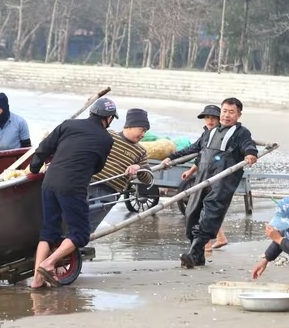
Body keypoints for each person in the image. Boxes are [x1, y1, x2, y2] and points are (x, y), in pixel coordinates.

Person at [28, 97, 116, 289]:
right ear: (108, 119)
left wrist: (33, 169)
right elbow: (97, 167)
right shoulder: (106, 139)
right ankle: (49, 263)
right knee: (80, 234)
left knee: (48, 232)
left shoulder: (68, 125)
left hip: (49, 182)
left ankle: (36, 281)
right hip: (73, 186)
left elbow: (44, 148)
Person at [178, 98, 258, 269]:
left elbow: (249, 146)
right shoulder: (210, 132)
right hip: (203, 178)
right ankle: (198, 257)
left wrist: (250, 154)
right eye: (224, 111)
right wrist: (170, 159)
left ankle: (193, 253)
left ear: (238, 115)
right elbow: (193, 149)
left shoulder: (241, 133)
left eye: (231, 112)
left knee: (210, 215)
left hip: (223, 181)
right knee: (191, 214)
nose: (226, 115)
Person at [162, 104, 229, 253]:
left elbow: (213, 158)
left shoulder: (223, 135)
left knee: (203, 208)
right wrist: (177, 161)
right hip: (205, 174)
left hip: (217, 176)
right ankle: (219, 239)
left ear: (219, 119)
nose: (210, 120)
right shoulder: (207, 134)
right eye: (207, 117)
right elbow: (197, 152)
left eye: (213, 118)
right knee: (206, 207)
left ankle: (206, 244)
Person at [89, 108, 154, 227]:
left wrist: (138, 168)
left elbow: (148, 179)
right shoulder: (108, 135)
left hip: (109, 193)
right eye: (141, 130)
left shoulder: (140, 151)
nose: (143, 135)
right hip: (88, 184)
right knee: (71, 220)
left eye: (145, 131)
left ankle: (74, 245)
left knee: (87, 227)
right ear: (129, 126)